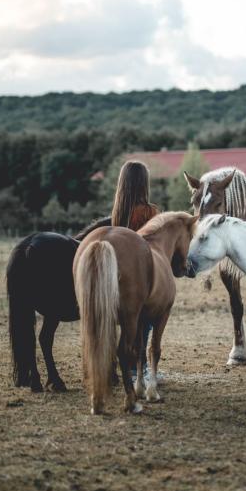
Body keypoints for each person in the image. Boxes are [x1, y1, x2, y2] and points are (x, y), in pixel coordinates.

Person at [111, 160, 159, 377]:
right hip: (141, 274)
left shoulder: (117, 213)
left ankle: (122, 365)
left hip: (117, 271)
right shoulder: (149, 212)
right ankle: (139, 367)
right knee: (146, 320)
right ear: (143, 184)